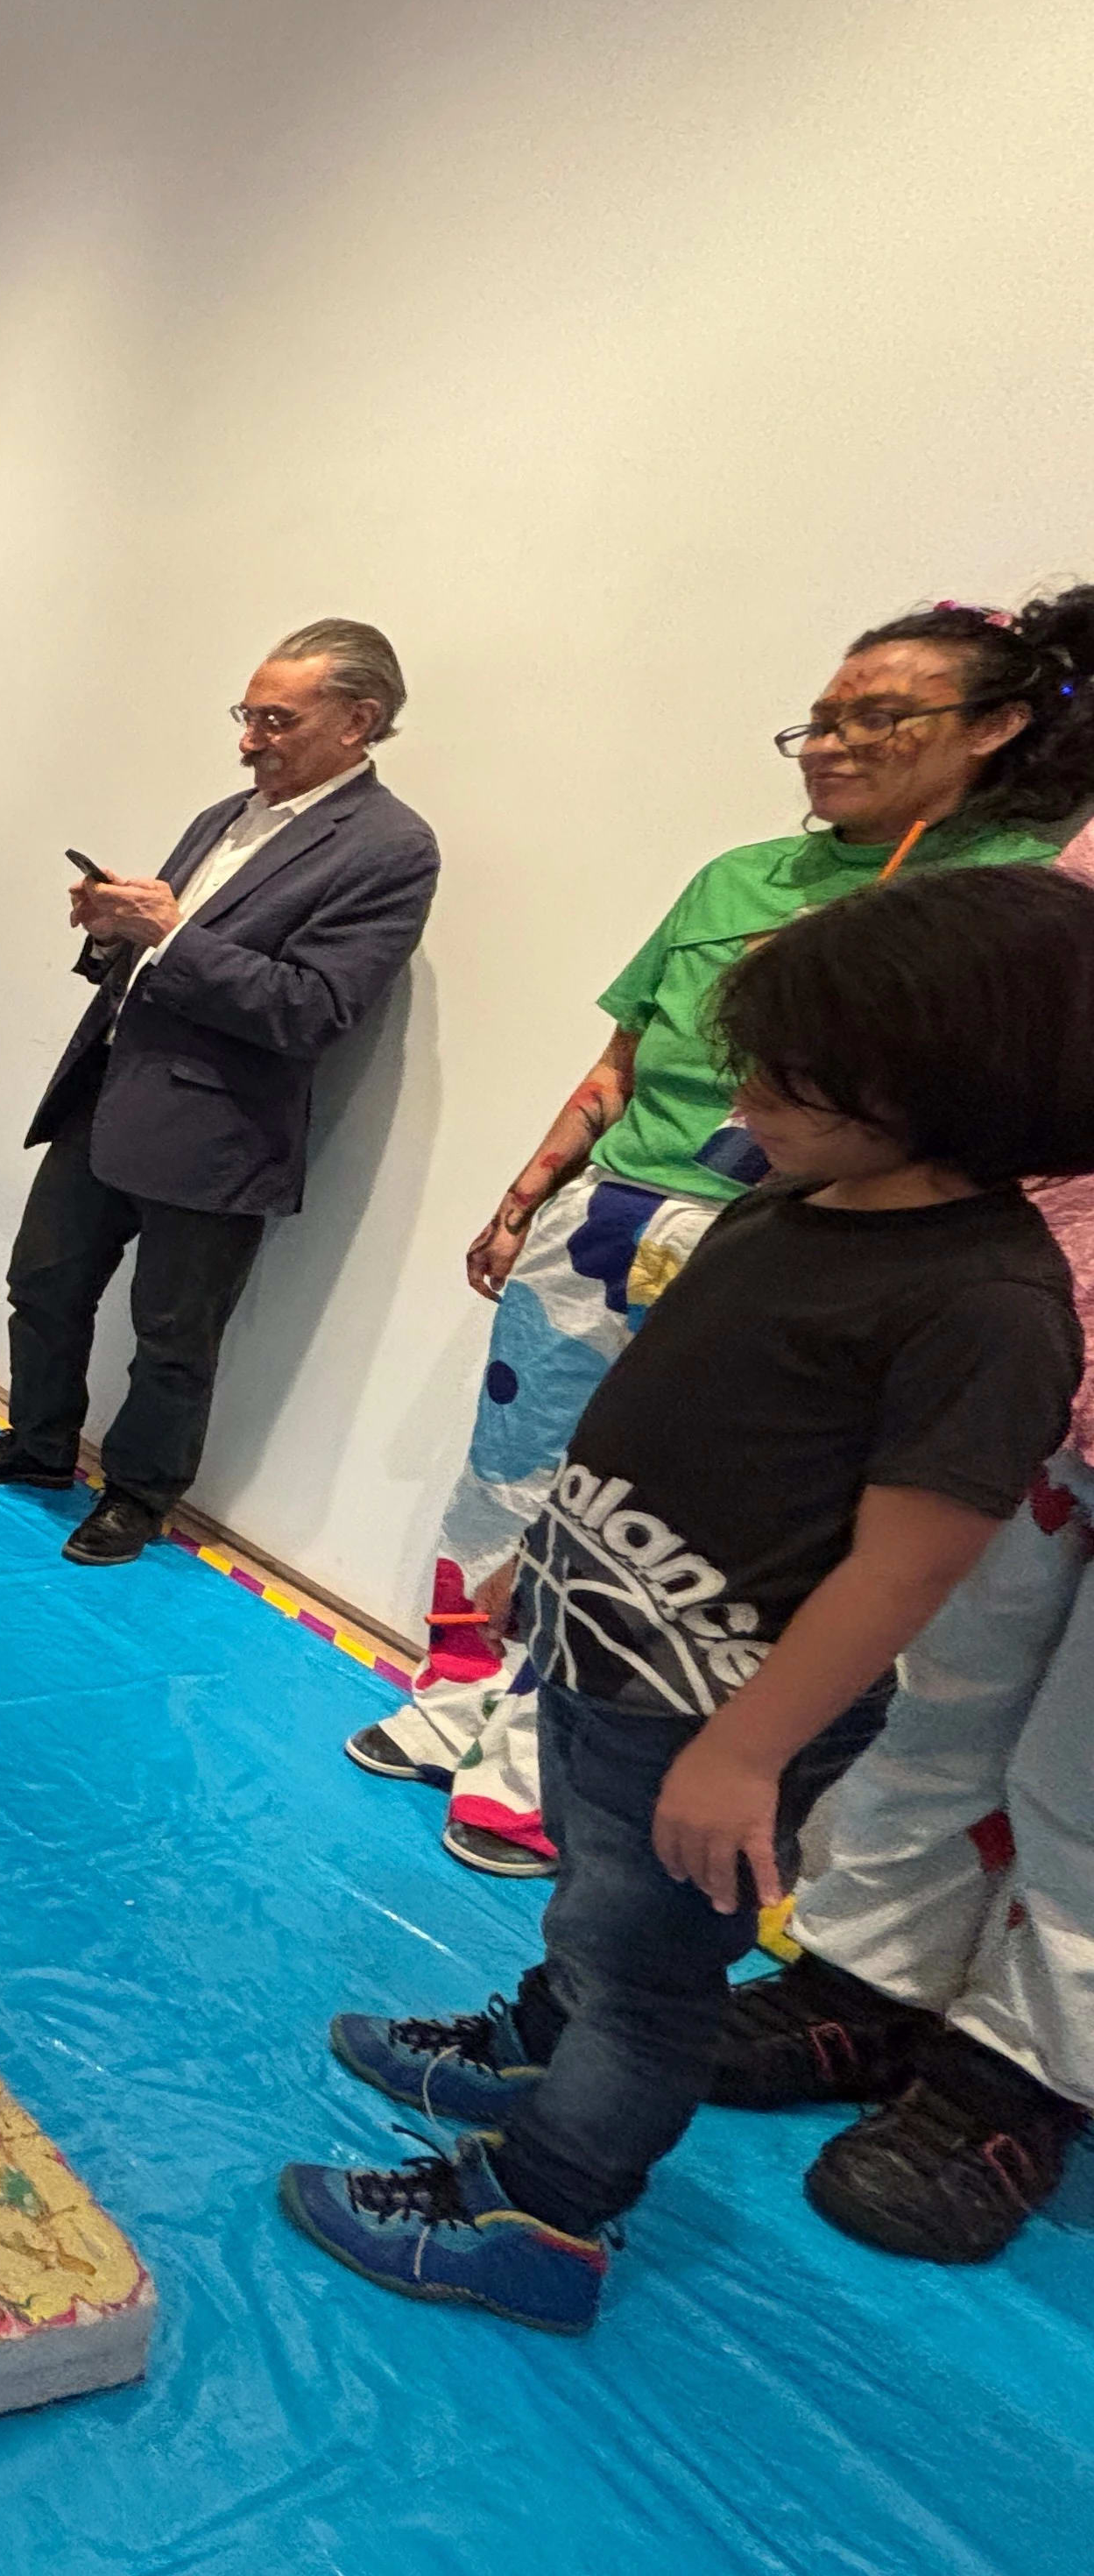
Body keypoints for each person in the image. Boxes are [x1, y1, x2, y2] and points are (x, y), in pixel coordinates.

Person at [282, 864, 1094, 2333]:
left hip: (718, 1708)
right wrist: (556, 1557)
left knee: (653, 1976)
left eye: (788, 1077)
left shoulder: (985, 1303)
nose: (742, 1100)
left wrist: (746, 1748)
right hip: (615, 1649)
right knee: (597, 1907)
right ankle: (540, 2037)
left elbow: (910, 1559)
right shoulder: (798, 1199)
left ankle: (544, 2208)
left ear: (944, 1086)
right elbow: (670, 1402)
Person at [354, 592, 1094, 1877]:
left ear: (1000, 727)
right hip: (611, 1218)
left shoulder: (1010, 901)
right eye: (816, 719)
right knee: (520, 1471)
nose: (829, 742)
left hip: (779, 1244)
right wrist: (532, 1189)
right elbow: (628, 1052)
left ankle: (544, 1763)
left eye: (878, 716)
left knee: (670, 1519)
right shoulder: (738, 877)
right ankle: (457, 1702)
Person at [701, 817, 1094, 2265]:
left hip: (1021, 1319)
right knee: (937, 1697)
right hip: (1040, 1343)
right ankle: (861, 1977)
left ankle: (1018, 2072)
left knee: (1083, 1781)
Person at [0, 621, 438, 1564]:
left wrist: (170, 933)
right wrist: (112, 926)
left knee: (172, 1335)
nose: (249, 738)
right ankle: (38, 1447)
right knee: (42, 1285)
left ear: (358, 720)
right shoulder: (224, 816)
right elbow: (162, 956)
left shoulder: (391, 847)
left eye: (276, 718)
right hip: (109, 1093)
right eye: (247, 714)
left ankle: (139, 1495)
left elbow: (314, 1010)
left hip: (221, 1133)